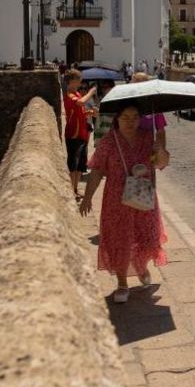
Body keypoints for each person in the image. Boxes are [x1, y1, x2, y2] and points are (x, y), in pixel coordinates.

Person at [78, 102, 170, 303]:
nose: (130, 122)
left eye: (135, 117)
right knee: (120, 240)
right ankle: (122, 283)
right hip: (116, 202)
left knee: (146, 237)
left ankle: (141, 266)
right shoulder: (109, 142)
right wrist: (87, 197)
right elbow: (97, 171)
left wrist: (160, 150)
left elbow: (161, 163)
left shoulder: (147, 138)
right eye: (125, 117)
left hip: (144, 198)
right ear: (117, 119)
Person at [62, 69, 97, 198]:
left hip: (81, 133)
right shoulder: (70, 95)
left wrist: (89, 113)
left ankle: (75, 189)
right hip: (74, 134)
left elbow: (79, 111)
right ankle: (72, 190)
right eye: (78, 80)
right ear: (71, 81)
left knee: (78, 165)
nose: (80, 82)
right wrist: (90, 92)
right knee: (73, 164)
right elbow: (80, 102)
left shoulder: (76, 93)